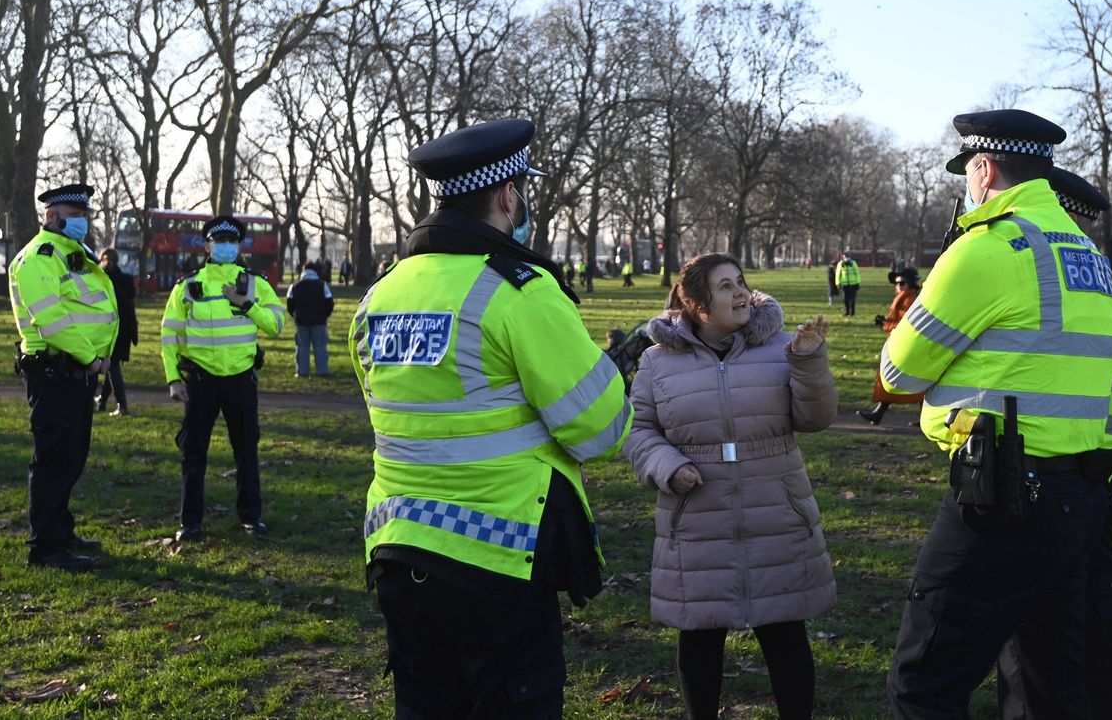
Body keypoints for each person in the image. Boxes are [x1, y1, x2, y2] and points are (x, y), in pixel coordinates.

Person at [351, 118, 632, 719]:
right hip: (499, 557)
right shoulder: (521, 291)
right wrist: (615, 372)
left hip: (398, 550)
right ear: (508, 196)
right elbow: (600, 430)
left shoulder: (380, 294)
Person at [880, 109, 1112, 718]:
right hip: (1084, 495)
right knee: (1048, 687)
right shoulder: (1094, 264)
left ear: (984, 169)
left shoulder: (987, 249)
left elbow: (897, 374)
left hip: (1001, 499)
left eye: (969, 173)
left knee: (923, 684)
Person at [624, 253, 837, 720]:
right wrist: (667, 465)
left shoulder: (781, 347)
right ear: (696, 304)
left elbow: (816, 419)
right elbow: (637, 430)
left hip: (775, 512)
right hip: (696, 518)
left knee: (784, 636)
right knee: (700, 636)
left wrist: (807, 362)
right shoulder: (657, 362)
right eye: (725, 286)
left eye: (741, 281)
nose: (741, 292)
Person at [997, 165, 1112, 719]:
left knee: (1034, 645)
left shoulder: (1053, 283)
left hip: (1051, 479)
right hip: (1101, 477)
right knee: (1097, 630)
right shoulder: (1110, 289)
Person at [9, 184, 119, 572]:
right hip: (55, 372)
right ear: (51, 216)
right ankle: (45, 548)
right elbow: (51, 320)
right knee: (53, 460)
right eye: (74, 215)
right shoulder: (39, 257)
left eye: (84, 215)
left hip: (78, 373)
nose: (81, 222)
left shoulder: (74, 253)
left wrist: (102, 357)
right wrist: (92, 358)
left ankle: (61, 532)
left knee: (71, 458)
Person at [161, 216, 286, 542]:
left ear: (239, 247)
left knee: (246, 451)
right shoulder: (188, 286)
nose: (227, 247)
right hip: (200, 382)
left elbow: (276, 324)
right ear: (208, 246)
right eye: (220, 241)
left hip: (240, 380)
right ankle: (190, 523)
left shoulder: (254, 284)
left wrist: (247, 306)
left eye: (232, 241)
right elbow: (170, 335)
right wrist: (173, 379)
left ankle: (251, 517)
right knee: (193, 453)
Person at [858, 266, 923, 425]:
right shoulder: (905, 298)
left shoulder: (909, 300)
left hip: (908, 347)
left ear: (911, 284)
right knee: (903, 379)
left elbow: (904, 326)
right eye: (897, 283)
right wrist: (886, 322)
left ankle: (879, 413)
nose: (898, 286)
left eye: (902, 283)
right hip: (906, 345)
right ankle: (879, 413)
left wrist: (886, 325)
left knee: (896, 377)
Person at [96, 247, 139, 416]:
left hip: (109, 328)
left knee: (112, 366)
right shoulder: (126, 279)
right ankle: (102, 401)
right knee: (112, 365)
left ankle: (122, 405)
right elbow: (131, 302)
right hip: (126, 329)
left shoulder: (101, 280)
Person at [286, 261, 335, 378]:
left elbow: (289, 304)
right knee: (320, 347)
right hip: (319, 321)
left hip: (301, 321)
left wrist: (295, 316)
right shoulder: (322, 285)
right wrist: (325, 315)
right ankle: (322, 371)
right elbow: (330, 303)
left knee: (302, 347)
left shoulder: (295, 286)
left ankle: (302, 372)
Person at [835, 250, 861, 315]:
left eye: (848, 257)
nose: (847, 258)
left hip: (853, 284)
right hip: (844, 285)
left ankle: (852, 312)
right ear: (843, 257)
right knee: (845, 299)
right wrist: (838, 283)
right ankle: (847, 311)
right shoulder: (840, 264)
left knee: (852, 299)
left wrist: (858, 283)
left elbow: (857, 273)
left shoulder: (853, 263)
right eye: (845, 257)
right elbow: (838, 274)